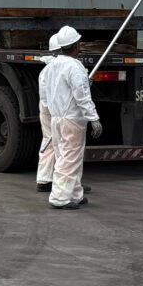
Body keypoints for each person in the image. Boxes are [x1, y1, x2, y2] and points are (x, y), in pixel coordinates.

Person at [36, 26, 102, 210]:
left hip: (57, 118)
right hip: (72, 119)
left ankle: (74, 193)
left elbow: (50, 94)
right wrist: (94, 118)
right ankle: (60, 197)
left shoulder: (51, 67)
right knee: (70, 159)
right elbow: (82, 96)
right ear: (76, 45)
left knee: (66, 157)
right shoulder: (74, 67)